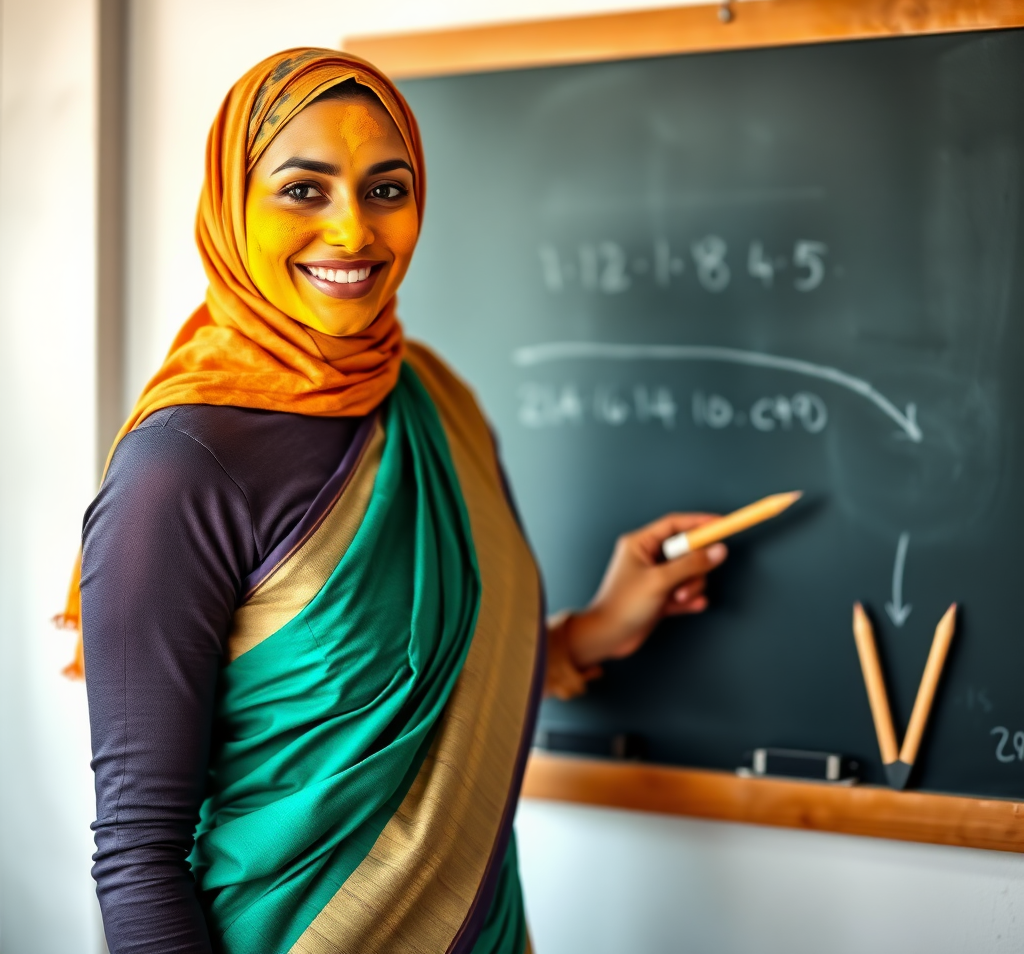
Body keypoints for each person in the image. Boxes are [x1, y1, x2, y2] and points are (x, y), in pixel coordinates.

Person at [66, 48, 728, 954]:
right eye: (304, 190)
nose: (354, 232)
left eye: (387, 188)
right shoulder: (180, 471)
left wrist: (594, 631)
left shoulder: (434, 400)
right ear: (229, 203)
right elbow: (138, 859)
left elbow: (436, 663)